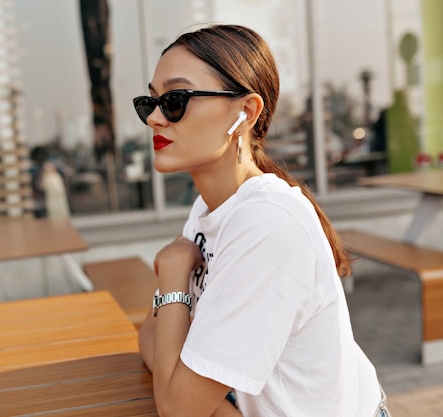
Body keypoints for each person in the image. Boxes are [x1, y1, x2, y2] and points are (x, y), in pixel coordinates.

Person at [133, 24, 390, 417]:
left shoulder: (267, 224)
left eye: (175, 100)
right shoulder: (209, 210)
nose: (154, 118)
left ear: (246, 112)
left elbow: (178, 404)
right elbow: (153, 339)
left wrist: (171, 277)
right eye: (149, 103)